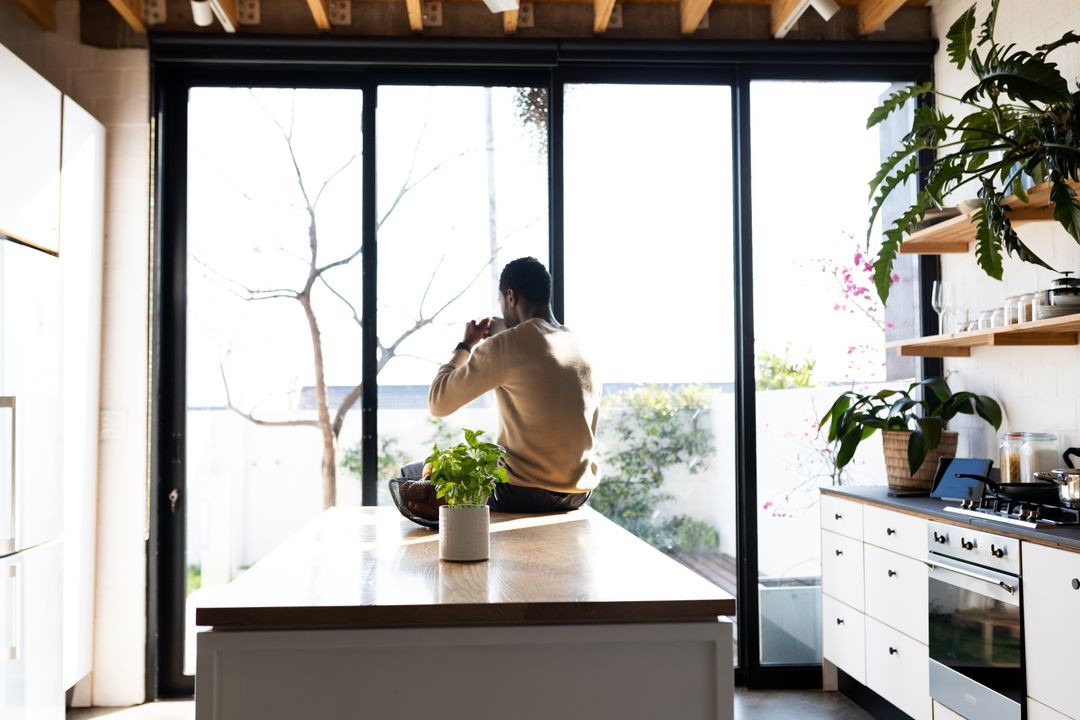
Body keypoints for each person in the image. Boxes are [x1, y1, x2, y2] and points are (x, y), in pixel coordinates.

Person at [399, 256, 600, 517]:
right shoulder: (581, 348)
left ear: (511, 296)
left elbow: (438, 402)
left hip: (519, 492)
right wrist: (506, 329)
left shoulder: (506, 345)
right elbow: (535, 338)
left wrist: (466, 345)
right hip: (577, 493)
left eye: (502, 303)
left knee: (413, 475)